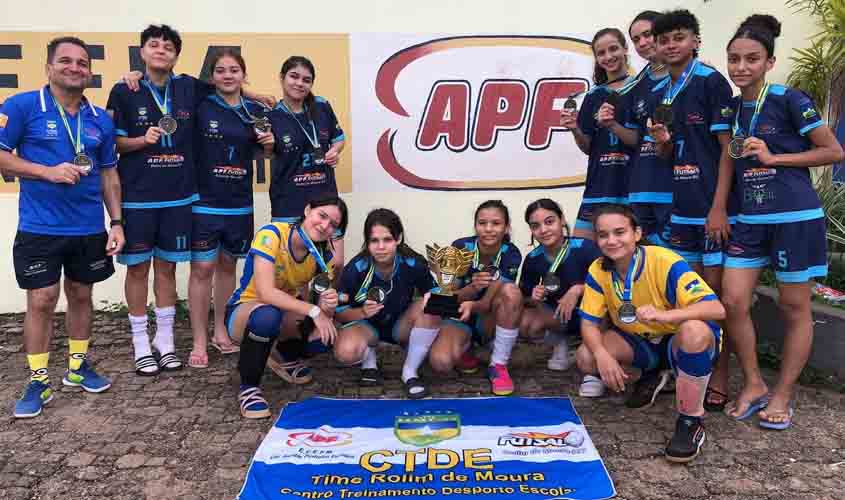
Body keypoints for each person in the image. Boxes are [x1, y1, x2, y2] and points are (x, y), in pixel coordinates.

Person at [108, 25, 274, 376]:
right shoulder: (125, 89)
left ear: (177, 55)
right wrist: (141, 139)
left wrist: (256, 94)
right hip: (143, 197)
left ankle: (167, 341)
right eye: (154, 45)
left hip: (179, 198)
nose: (161, 51)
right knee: (143, 269)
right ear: (141, 51)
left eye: (168, 47)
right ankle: (144, 344)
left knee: (171, 268)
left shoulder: (188, 87)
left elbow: (227, 87)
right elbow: (114, 143)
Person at [712, 15, 845, 428]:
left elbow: (833, 151)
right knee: (733, 301)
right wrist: (719, 207)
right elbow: (729, 158)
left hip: (794, 217)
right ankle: (754, 383)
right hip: (750, 218)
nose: (741, 67)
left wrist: (775, 158)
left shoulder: (790, 99)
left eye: (751, 59)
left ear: (769, 62)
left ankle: (783, 394)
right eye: (734, 59)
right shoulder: (732, 107)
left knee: (793, 306)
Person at [0, 37, 124, 418]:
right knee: (42, 299)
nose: (75, 67)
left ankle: (77, 366)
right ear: (49, 67)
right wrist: (46, 172)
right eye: (66, 61)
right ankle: (38, 379)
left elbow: (109, 174)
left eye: (82, 63)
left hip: (87, 227)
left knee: (82, 295)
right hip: (40, 226)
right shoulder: (22, 106)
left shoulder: (100, 119)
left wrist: (116, 222)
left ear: (90, 72)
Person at [576, 204, 725, 463]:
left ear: (636, 233)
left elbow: (716, 309)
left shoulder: (664, 260)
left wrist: (667, 315)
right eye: (603, 235)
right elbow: (588, 324)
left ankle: (690, 421)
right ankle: (653, 373)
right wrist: (602, 354)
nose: (611, 240)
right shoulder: (599, 269)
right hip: (642, 340)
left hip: (679, 339)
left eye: (619, 232)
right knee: (586, 357)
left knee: (693, 330)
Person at [186, 49, 275, 368]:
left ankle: (220, 331)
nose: (227, 75)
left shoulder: (255, 111)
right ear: (212, 76)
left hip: (239, 203)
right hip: (205, 202)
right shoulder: (201, 103)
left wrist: (268, 146)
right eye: (221, 70)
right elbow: (171, 81)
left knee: (227, 267)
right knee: (202, 270)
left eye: (234, 70)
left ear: (243, 75)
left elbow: (265, 154)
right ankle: (198, 340)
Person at [225, 196, 347, 418]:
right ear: (307, 210)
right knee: (267, 317)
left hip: (283, 309)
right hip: (246, 308)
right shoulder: (272, 234)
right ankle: (249, 386)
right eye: (321, 215)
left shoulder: (322, 254)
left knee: (323, 339)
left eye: (333, 225)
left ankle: (283, 355)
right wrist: (314, 311)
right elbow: (266, 292)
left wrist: (326, 306)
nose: (324, 226)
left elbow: (321, 306)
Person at [647, 9, 735, 290]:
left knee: (716, 292)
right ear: (656, 47)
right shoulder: (659, 93)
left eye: (678, 38)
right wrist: (663, 142)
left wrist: (719, 208)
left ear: (695, 41)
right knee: (692, 293)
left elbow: (728, 148)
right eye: (663, 40)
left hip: (713, 206)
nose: (671, 45)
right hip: (683, 207)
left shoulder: (711, 82)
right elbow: (665, 155)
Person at [333, 208, 440, 398]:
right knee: (345, 352)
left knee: (432, 304)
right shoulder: (356, 268)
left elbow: (433, 294)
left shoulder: (413, 262)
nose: (381, 247)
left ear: (398, 239)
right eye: (374, 240)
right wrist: (363, 313)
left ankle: (410, 372)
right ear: (367, 242)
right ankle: (369, 359)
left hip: (401, 325)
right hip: (366, 327)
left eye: (387, 240)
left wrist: (438, 290)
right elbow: (340, 313)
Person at [560, 28, 639, 239]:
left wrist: (612, 125)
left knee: (627, 250)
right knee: (581, 250)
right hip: (598, 188)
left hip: (631, 188)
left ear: (625, 49)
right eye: (601, 53)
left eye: (613, 49)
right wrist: (575, 129)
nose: (608, 56)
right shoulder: (593, 95)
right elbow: (588, 147)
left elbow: (641, 142)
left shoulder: (641, 88)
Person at [268, 56, 346, 268]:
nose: (299, 83)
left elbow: (339, 139)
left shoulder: (321, 106)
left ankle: (328, 292)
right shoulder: (271, 115)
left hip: (325, 198)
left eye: (306, 80)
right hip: (289, 201)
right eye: (294, 77)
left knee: (335, 264)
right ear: (282, 78)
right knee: (295, 269)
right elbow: (264, 153)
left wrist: (334, 151)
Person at [518, 199, 601, 394]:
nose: (544, 230)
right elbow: (524, 298)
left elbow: (610, 286)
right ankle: (560, 341)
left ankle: (593, 372)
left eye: (549, 222)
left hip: (595, 318)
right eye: (536, 226)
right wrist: (533, 296)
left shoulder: (586, 248)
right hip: (560, 317)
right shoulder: (533, 259)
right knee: (526, 322)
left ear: (562, 220)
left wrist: (578, 289)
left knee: (599, 313)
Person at [445, 200, 524, 395]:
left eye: (496, 223)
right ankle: (468, 347)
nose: (488, 229)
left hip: (485, 315)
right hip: (458, 315)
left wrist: (474, 304)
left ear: (506, 227)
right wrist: (471, 288)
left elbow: (487, 303)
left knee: (512, 292)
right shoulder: (460, 247)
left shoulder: (511, 253)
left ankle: (498, 364)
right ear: (475, 225)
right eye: (482, 223)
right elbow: (447, 296)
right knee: (441, 362)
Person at [624, 11, 674, 244]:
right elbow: (635, 138)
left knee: (676, 260)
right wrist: (611, 124)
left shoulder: (692, 75)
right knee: (648, 260)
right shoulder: (636, 85)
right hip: (642, 188)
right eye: (636, 39)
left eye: (648, 34)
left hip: (676, 187)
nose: (642, 43)